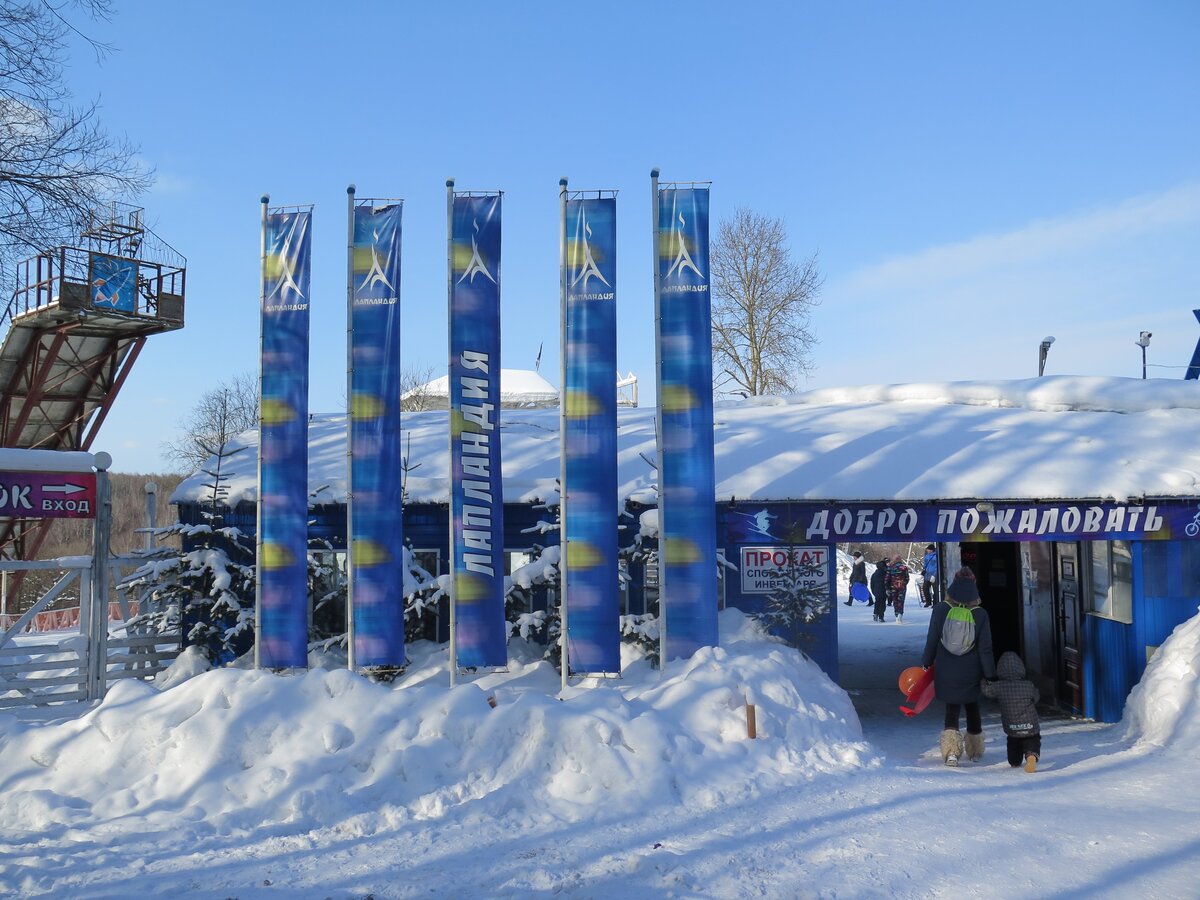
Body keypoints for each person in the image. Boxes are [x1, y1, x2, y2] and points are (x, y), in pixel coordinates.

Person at [921, 567, 995, 766]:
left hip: (946, 667)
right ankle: (975, 750)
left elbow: (932, 640)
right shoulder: (980, 614)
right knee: (972, 706)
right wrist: (990, 674)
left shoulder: (940, 609)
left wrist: (926, 662)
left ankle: (952, 752)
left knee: (951, 708)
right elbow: (985, 648)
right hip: (971, 669)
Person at [981, 651, 1042, 773]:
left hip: (1011, 725)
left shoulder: (999, 686)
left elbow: (987, 691)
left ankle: (1014, 761)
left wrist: (983, 680)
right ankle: (1031, 756)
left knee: (1013, 741)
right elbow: (1036, 697)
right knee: (1032, 740)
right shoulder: (1028, 685)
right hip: (1030, 723)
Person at [886, 555, 910, 623]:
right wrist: (904, 583)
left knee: (895, 600)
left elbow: (887, 578)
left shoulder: (890, 567)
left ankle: (896, 614)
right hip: (902, 586)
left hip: (893, 586)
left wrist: (887, 587)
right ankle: (900, 614)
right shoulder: (904, 568)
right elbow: (907, 578)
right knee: (901, 601)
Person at [870, 557, 889, 622]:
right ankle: (881, 617)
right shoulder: (886, 574)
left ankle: (875, 613)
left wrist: (873, 591)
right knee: (882, 604)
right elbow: (888, 582)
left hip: (876, 591)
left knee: (877, 603)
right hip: (883, 591)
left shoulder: (874, 574)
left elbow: (872, 584)